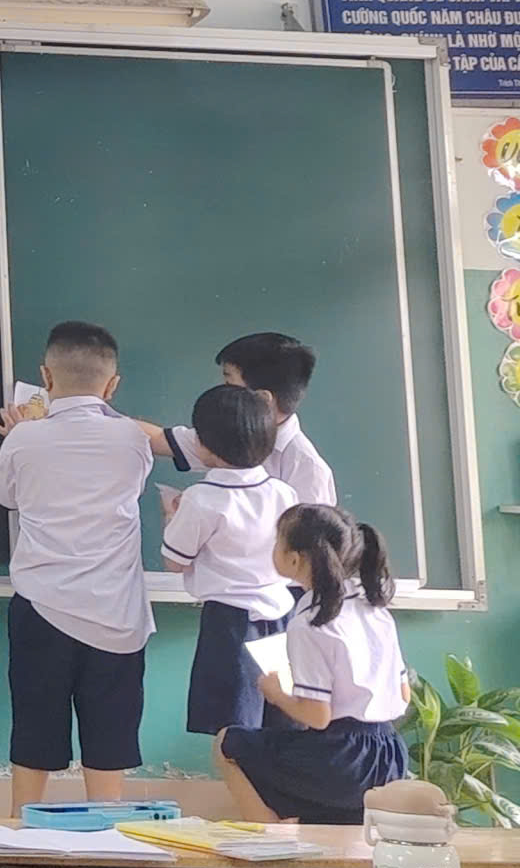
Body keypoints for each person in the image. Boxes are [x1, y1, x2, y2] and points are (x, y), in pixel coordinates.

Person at [0, 321, 153, 813]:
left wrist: (20, 435)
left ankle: (21, 828)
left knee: (34, 729)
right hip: (115, 614)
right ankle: (105, 829)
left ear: (46, 377)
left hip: (43, 605)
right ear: (113, 385)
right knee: (109, 736)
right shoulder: (133, 439)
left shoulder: (24, 440)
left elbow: (8, 496)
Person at [216, 505, 410, 826]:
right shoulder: (374, 608)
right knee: (301, 757)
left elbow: (317, 717)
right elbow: (404, 695)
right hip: (389, 758)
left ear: (294, 560)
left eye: (277, 541)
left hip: (341, 761)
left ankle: (268, 836)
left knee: (228, 742)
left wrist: (276, 693)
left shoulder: (309, 622)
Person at [159, 384, 296, 737]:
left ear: (205, 444)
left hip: (230, 623)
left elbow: (175, 562)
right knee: (281, 722)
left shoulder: (201, 498)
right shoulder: (283, 492)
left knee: (231, 730)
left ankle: (235, 776)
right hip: (283, 616)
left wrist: (171, 518)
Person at [145, 334, 335, 507]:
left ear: (262, 398)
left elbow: (310, 534)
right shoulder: (229, 433)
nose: (222, 393)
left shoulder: (308, 469)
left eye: (229, 384)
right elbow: (160, 439)